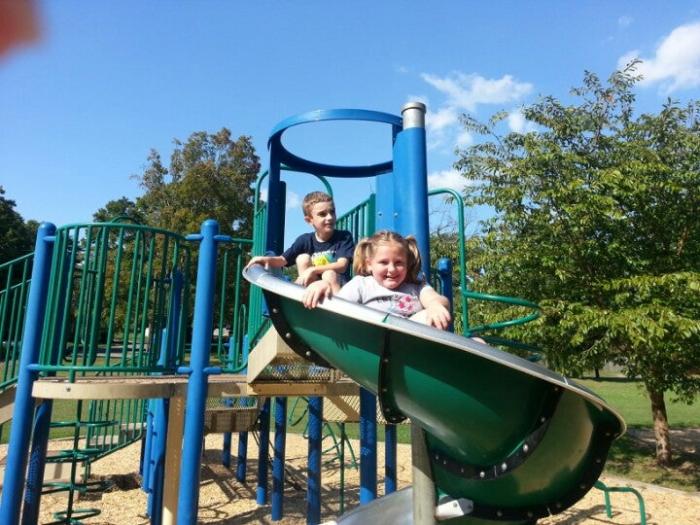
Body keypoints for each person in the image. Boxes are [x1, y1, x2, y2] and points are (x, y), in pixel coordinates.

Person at [303, 230, 452, 330]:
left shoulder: (416, 286)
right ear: (369, 264)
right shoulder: (362, 284)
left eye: (399, 263)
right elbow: (338, 308)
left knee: (432, 315)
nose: (392, 269)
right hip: (371, 339)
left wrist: (435, 306)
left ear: (407, 264)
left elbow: (438, 299)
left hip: (408, 341)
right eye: (384, 262)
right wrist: (322, 285)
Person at [245, 191, 354, 293]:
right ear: (309, 220)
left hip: (337, 287)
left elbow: (342, 265)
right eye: (322, 214)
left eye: (332, 212)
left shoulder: (343, 237)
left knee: (329, 274)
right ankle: (305, 297)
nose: (329, 217)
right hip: (314, 287)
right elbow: (282, 260)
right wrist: (262, 259)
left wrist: (312, 270)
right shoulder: (305, 240)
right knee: (302, 259)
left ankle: (335, 306)